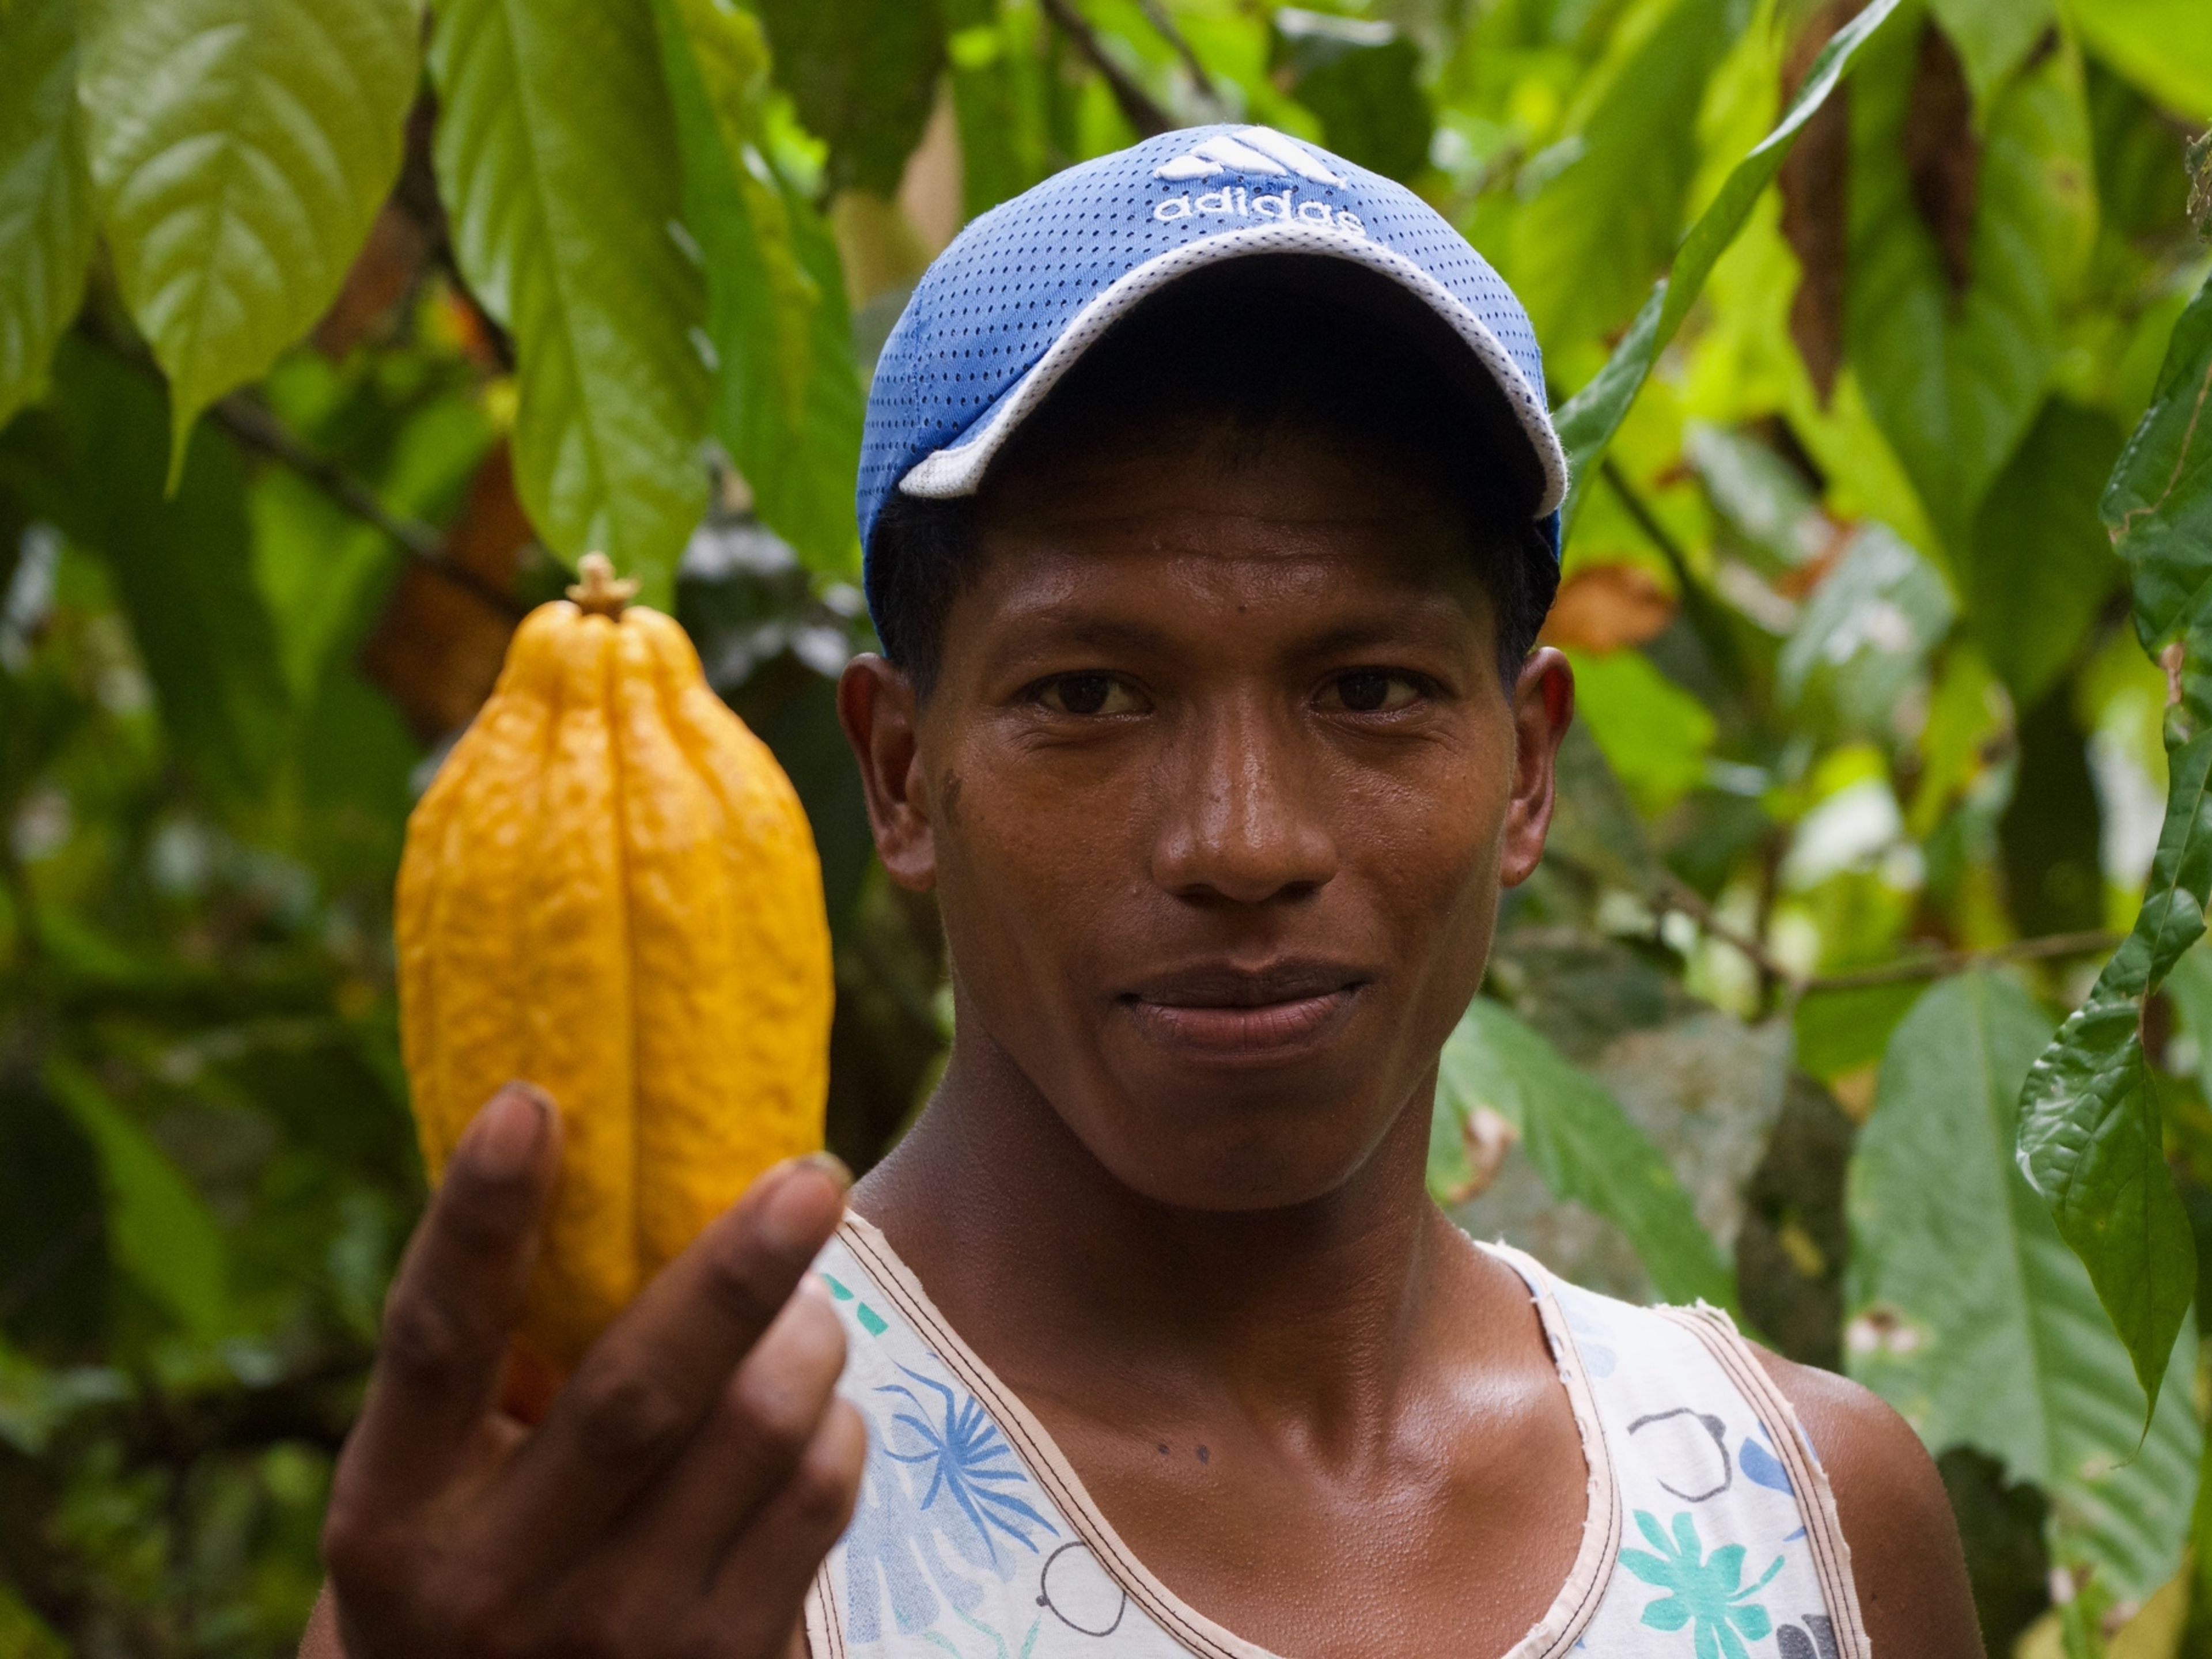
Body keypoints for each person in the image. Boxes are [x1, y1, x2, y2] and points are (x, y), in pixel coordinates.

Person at [304, 125, 1982, 1659]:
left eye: (1371, 689)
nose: (1242, 841)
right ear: (902, 775)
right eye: (1091, 695)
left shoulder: (1802, 1518)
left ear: (1528, 769)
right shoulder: (665, 1532)